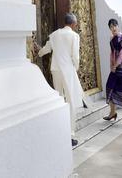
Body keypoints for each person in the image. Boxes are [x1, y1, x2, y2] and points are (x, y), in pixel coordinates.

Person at [37, 13, 86, 147]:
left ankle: (58, 130)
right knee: (70, 101)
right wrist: (75, 68)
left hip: (56, 69)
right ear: (73, 24)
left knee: (59, 99)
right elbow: (75, 56)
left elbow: (46, 49)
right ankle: (69, 134)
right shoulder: (74, 36)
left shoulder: (54, 35)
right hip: (68, 70)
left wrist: (39, 52)